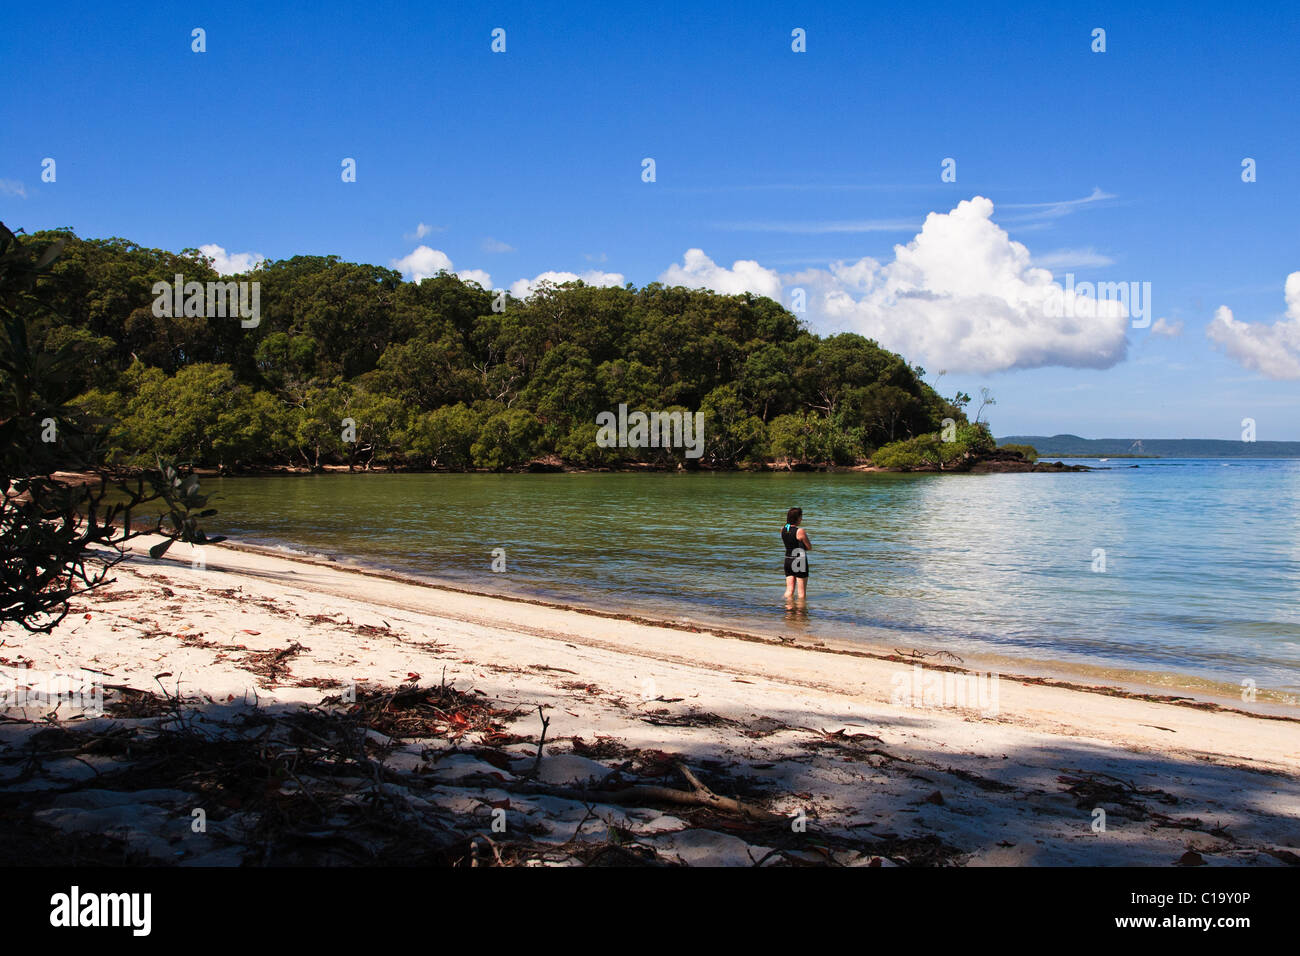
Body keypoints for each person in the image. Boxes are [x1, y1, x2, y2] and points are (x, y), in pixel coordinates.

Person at [781, 507, 812, 601]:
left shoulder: (783, 529)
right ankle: (800, 614)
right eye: (801, 517)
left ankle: (787, 610)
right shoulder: (800, 531)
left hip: (788, 559)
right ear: (797, 518)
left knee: (789, 590)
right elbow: (809, 547)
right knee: (801, 593)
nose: (801, 519)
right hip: (799, 561)